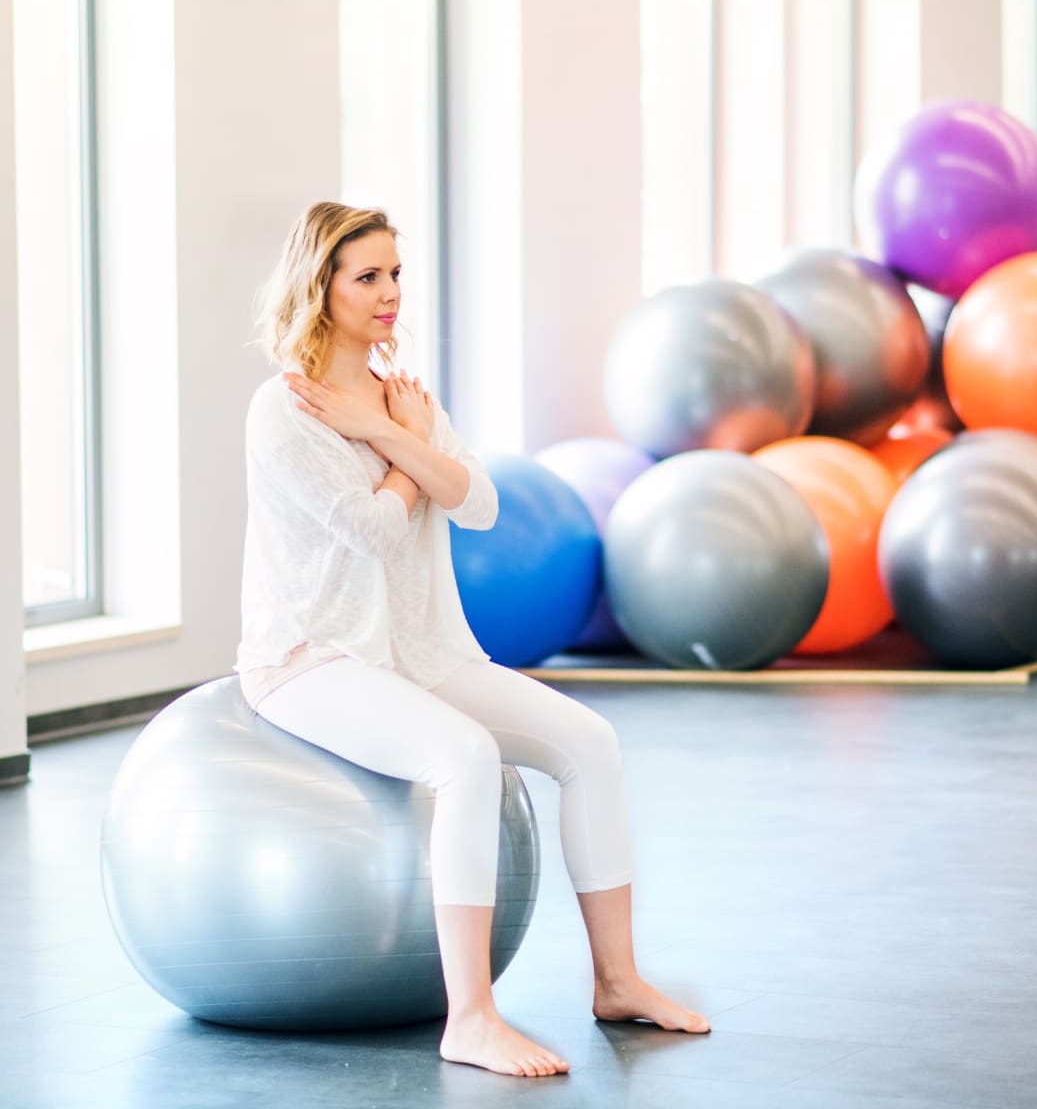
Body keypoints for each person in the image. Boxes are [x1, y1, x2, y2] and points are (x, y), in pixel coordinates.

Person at [235, 202, 710, 1078]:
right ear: (320, 286)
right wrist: (404, 449)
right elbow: (375, 529)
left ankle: (617, 979)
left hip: (418, 646)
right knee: (465, 757)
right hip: (311, 657)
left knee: (590, 742)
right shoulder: (286, 410)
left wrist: (389, 430)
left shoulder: (402, 398)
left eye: (394, 274)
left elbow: (480, 503)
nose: (388, 294)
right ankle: (472, 1017)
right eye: (366, 276)